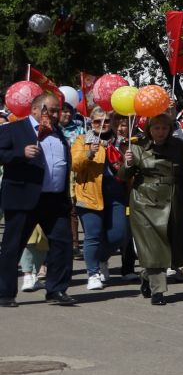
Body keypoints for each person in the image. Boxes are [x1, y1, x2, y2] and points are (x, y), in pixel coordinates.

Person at [2, 91, 77, 306]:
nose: (54, 114)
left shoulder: (58, 133)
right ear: (35, 109)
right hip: (23, 197)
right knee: (13, 246)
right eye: (50, 109)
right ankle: (4, 293)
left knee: (63, 245)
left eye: (57, 110)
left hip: (54, 200)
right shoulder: (14, 130)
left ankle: (56, 290)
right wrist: (19, 153)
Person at [124, 109, 183, 305]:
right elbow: (123, 176)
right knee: (153, 247)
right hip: (144, 201)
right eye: (156, 127)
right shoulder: (137, 146)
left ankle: (146, 275)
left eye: (164, 128)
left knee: (169, 244)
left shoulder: (179, 146)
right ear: (149, 128)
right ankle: (158, 291)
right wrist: (127, 164)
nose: (160, 131)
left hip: (172, 198)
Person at [71, 110, 130, 293]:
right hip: (89, 194)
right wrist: (89, 154)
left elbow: (129, 169)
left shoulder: (120, 141)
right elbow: (74, 164)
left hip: (116, 194)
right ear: (91, 122)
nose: (101, 124)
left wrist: (129, 161)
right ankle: (93, 273)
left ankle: (102, 258)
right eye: (97, 121)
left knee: (119, 235)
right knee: (93, 235)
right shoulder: (83, 140)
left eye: (105, 121)